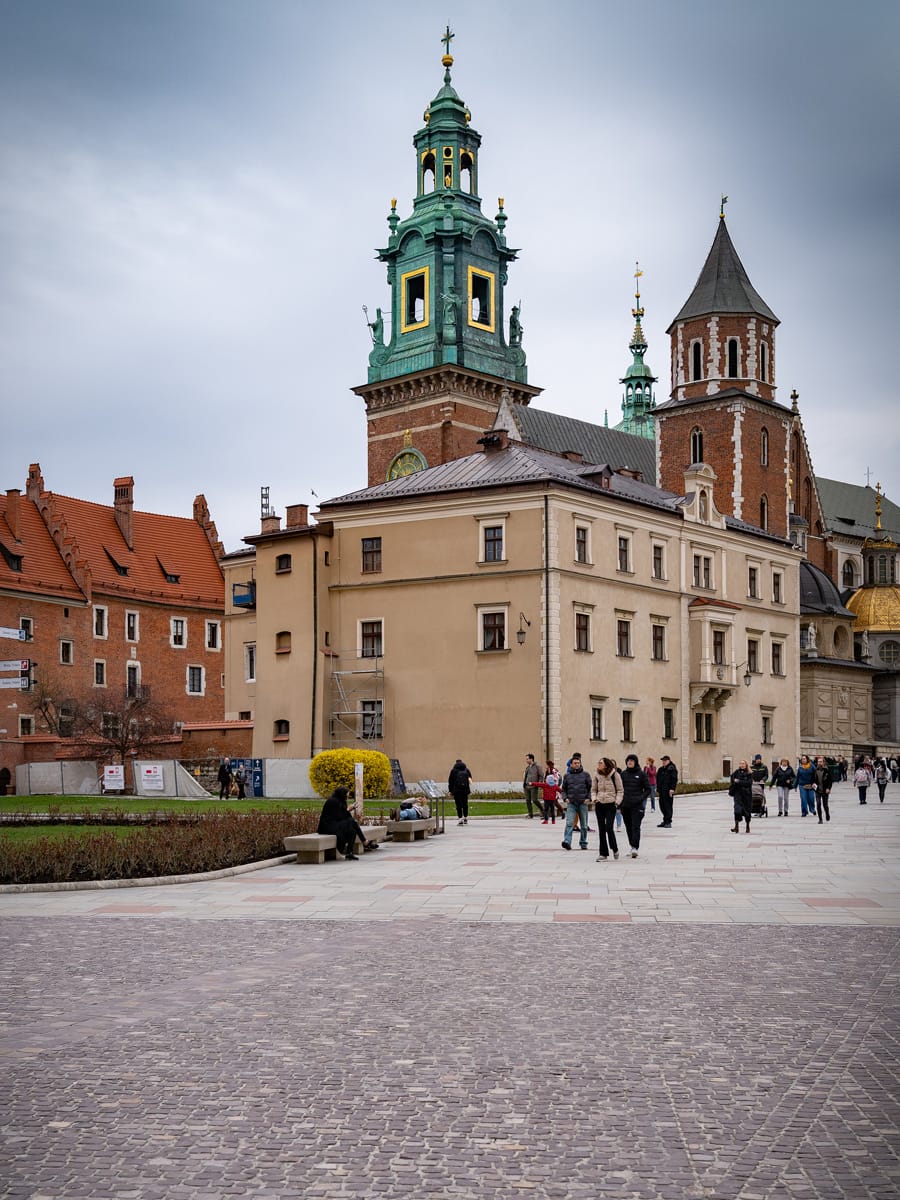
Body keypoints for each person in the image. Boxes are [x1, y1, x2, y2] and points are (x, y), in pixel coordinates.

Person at [318, 786, 380, 860]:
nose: (348, 796)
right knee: (352, 822)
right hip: (327, 826)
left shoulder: (341, 801)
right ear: (342, 794)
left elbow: (346, 817)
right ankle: (365, 842)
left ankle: (349, 853)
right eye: (347, 794)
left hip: (335, 823)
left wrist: (350, 810)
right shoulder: (333, 801)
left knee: (352, 830)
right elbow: (338, 816)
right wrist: (348, 810)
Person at [592, 757, 622, 861]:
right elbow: (593, 789)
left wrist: (617, 802)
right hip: (600, 804)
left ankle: (615, 848)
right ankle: (603, 853)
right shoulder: (596, 775)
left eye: (600, 763)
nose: (599, 764)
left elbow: (620, 790)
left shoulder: (615, 775)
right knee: (601, 829)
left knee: (609, 827)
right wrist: (594, 799)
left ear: (606, 765)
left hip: (610, 804)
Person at [619, 754, 650, 858]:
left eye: (632, 761)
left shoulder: (641, 774)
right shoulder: (623, 774)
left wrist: (640, 798)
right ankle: (632, 845)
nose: (630, 762)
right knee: (628, 826)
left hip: (637, 805)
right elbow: (619, 789)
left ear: (635, 762)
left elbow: (648, 789)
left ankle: (635, 847)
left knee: (636, 826)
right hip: (625, 805)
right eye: (628, 761)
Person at [560, 752, 592, 851]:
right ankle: (567, 841)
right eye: (575, 763)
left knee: (584, 825)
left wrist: (589, 798)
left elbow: (591, 788)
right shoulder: (567, 776)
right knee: (569, 823)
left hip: (583, 803)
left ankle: (583, 842)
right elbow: (563, 789)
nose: (577, 764)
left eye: (578, 763)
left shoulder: (585, 775)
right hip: (571, 803)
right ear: (571, 764)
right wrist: (565, 798)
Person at [729, 760, 754, 833]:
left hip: (746, 795)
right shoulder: (736, 772)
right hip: (738, 793)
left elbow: (749, 783)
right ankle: (736, 826)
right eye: (740, 763)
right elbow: (732, 779)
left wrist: (739, 781)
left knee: (747, 811)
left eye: (743, 763)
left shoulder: (749, 773)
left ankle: (747, 826)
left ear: (746, 765)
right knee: (737, 809)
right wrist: (734, 781)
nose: (742, 765)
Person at [656, 755, 679, 828]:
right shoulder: (661, 769)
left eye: (665, 760)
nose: (663, 762)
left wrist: (672, 789)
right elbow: (658, 779)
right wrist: (658, 788)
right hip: (662, 791)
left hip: (668, 791)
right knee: (662, 805)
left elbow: (674, 779)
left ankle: (668, 821)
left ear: (669, 761)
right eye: (663, 760)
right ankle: (665, 820)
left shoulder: (672, 769)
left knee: (668, 806)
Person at [448, 758, 472, 825]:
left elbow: (450, 781)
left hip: (456, 790)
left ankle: (460, 819)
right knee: (465, 804)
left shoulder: (453, 771)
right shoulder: (466, 770)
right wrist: (468, 789)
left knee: (458, 805)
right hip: (465, 790)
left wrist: (450, 791)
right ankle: (466, 818)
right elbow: (470, 779)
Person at [523, 753, 543, 819]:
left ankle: (543, 811)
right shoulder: (528, 767)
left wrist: (539, 784)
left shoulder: (537, 766)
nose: (526, 760)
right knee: (527, 800)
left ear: (531, 759)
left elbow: (541, 776)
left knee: (534, 800)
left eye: (527, 759)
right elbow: (526, 776)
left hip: (534, 786)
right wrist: (524, 783)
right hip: (527, 786)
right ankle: (530, 814)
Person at [814, 756, 833, 823]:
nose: (819, 763)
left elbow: (830, 781)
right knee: (818, 804)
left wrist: (828, 788)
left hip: (825, 790)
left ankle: (827, 814)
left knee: (825, 805)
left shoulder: (827, 771)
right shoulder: (815, 770)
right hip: (817, 790)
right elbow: (812, 780)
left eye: (821, 762)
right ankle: (820, 819)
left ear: (823, 762)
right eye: (818, 762)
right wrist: (813, 785)